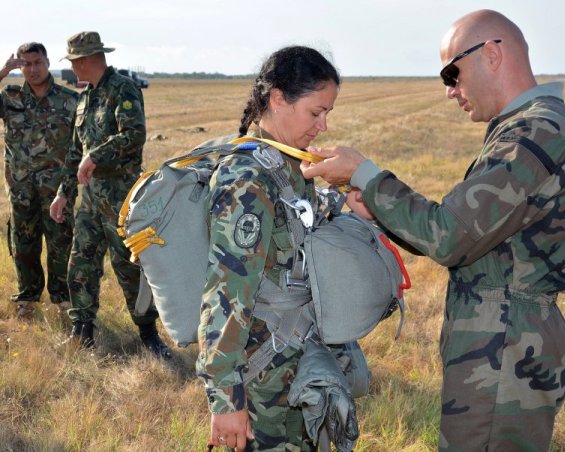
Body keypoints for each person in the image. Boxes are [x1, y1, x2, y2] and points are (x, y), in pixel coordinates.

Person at [300, 9, 565, 451]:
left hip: (504, 349)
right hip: (505, 340)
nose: (449, 91)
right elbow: (469, 234)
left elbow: (451, 235)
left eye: (452, 72)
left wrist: (366, 174)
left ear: (492, 54)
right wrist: (378, 208)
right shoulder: (536, 127)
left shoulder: (539, 132)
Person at [196, 46, 339, 451]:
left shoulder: (288, 165)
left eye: (328, 113)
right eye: (316, 112)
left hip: (295, 363)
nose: (324, 125)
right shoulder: (247, 179)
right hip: (264, 383)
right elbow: (225, 293)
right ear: (278, 99)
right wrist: (226, 399)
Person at [49, 31, 171, 358]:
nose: (73, 68)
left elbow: (133, 134)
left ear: (86, 60)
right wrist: (64, 193)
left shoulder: (123, 89)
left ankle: (149, 335)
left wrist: (96, 156)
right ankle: (82, 330)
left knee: (129, 266)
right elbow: (76, 151)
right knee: (82, 263)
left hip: (121, 196)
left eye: (74, 62)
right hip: (90, 199)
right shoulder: (85, 98)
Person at [0, 42, 78, 320]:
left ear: (47, 62)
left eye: (38, 63)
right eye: (26, 64)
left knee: (60, 242)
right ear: (20, 66)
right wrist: (2, 72)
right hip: (20, 187)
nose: (33, 70)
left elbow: (80, 145)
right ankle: (27, 299)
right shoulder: (9, 97)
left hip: (57, 189)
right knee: (24, 244)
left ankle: (62, 299)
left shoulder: (69, 100)